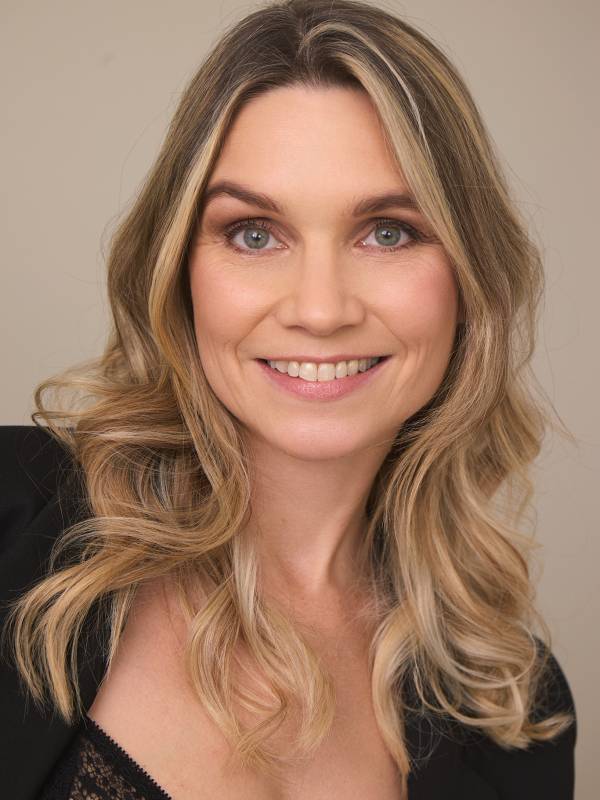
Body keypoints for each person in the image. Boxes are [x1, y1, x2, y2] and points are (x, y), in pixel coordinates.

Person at [0, 1, 577, 798]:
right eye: (254, 233)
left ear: (470, 278)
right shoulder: (12, 517)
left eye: (388, 231)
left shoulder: (511, 710)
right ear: (179, 271)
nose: (319, 309)